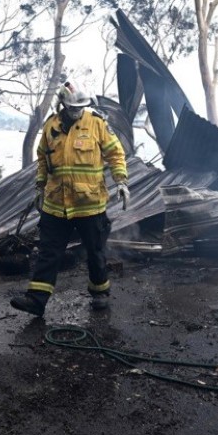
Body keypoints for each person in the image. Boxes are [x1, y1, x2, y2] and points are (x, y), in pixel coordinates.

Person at [10, 82, 130, 317]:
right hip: (56, 205)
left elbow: (116, 154)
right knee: (48, 251)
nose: (77, 111)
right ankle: (36, 300)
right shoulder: (50, 127)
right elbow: (43, 160)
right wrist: (39, 188)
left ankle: (100, 292)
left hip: (90, 205)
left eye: (81, 107)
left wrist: (122, 182)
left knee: (95, 252)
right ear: (62, 104)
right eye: (73, 107)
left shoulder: (97, 123)